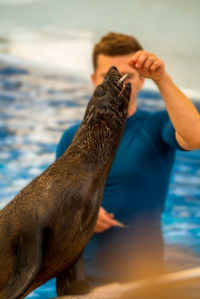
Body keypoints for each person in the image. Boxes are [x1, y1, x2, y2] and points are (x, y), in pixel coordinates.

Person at [56, 32, 200, 285]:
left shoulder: (156, 127)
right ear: (94, 80)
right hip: (82, 279)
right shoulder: (72, 138)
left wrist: (162, 78)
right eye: (108, 75)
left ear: (142, 80)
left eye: (129, 76)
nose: (120, 84)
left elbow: (196, 136)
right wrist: (83, 214)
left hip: (143, 279)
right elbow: (56, 207)